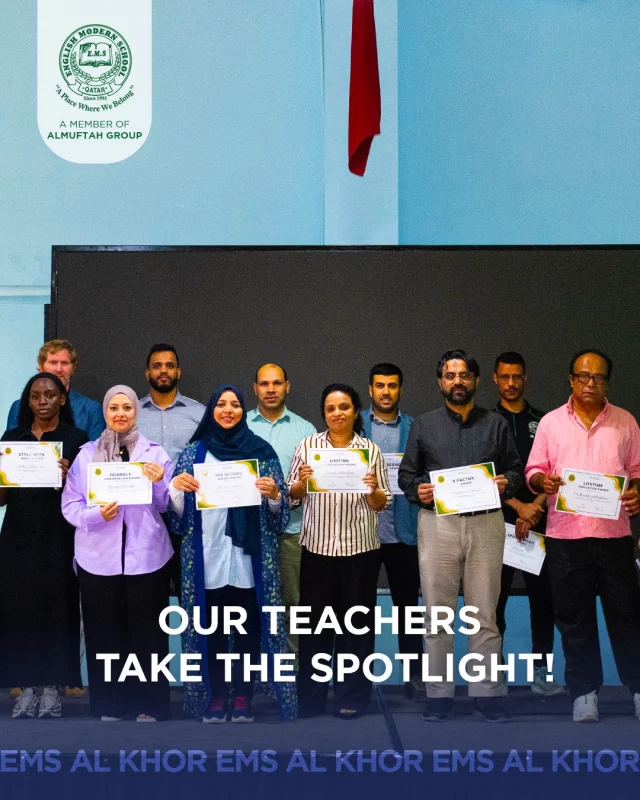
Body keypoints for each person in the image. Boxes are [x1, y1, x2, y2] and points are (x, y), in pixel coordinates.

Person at [398, 349, 523, 723]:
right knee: (438, 615)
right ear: (440, 383)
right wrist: (418, 489)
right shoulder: (424, 424)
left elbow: (516, 470)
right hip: (439, 525)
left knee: (484, 613)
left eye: (464, 375)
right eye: (450, 375)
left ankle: (487, 693)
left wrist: (507, 482)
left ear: (476, 381)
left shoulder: (496, 424)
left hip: (486, 522)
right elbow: (407, 475)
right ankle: (439, 694)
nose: (457, 381)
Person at [168, 385, 296, 723]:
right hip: (207, 557)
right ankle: (214, 696)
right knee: (209, 630)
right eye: (221, 404)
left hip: (247, 561)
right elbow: (177, 518)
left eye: (235, 404)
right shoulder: (195, 452)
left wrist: (273, 494)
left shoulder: (261, 451)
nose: (228, 410)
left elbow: (279, 515)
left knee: (248, 630)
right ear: (211, 410)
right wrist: (176, 490)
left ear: (243, 410)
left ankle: (242, 695)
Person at [526, 349, 640, 723]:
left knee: (627, 617)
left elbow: (637, 471)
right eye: (583, 377)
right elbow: (533, 471)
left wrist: (637, 490)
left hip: (615, 536)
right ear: (571, 379)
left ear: (607, 381)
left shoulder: (626, 422)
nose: (590, 383)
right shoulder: (550, 423)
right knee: (574, 619)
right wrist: (544, 481)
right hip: (566, 538)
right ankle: (584, 693)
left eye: (599, 377)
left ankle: (637, 689)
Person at [61, 385, 174, 722]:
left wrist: (157, 483)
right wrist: (97, 515)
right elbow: (70, 505)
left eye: (127, 407)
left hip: (148, 557)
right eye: (114, 408)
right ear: (106, 413)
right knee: (103, 634)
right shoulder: (86, 455)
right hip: (98, 559)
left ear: (135, 412)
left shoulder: (155, 454)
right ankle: (110, 704)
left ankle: (149, 705)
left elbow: (168, 505)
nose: (121, 414)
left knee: (148, 636)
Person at [288, 383, 391, 720]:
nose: (337, 413)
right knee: (315, 629)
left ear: (355, 411)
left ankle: (352, 697)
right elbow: (292, 496)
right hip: (317, 550)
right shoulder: (308, 446)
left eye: (344, 407)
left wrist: (372, 489)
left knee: (356, 628)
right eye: (331, 408)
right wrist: (301, 484)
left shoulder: (370, 450)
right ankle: (312, 698)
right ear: (324, 413)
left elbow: (381, 503)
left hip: (360, 551)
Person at [0, 373, 88, 719]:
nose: (42, 401)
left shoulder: (76, 440)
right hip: (18, 536)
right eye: (35, 396)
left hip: (59, 536)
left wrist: (69, 477)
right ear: (28, 402)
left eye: (50, 395)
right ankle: (25, 686)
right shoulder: (12, 439)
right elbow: (1, 498)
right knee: (19, 611)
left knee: (57, 609)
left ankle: (52, 686)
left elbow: (84, 496)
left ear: (62, 400)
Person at [492, 352, 563, 696]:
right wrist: (517, 506)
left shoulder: (545, 421)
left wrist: (534, 508)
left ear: (525, 379)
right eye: (504, 377)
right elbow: (482, 475)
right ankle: (495, 673)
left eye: (516, 377)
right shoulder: (485, 421)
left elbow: (555, 470)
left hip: (540, 520)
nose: (510, 384)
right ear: (494, 379)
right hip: (496, 523)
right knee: (495, 602)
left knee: (544, 600)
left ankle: (543, 673)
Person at [361, 362, 423, 701]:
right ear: (370, 390)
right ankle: (360, 678)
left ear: (400, 389)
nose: (386, 391)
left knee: (408, 610)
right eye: (380, 386)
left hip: (403, 531)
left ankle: (415, 675)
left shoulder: (416, 427)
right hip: (362, 531)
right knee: (359, 609)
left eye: (392, 386)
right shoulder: (353, 424)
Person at [247, 363, 316, 657]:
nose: (271, 389)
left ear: (287, 386)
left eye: (277, 383)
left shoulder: (305, 430)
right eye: (264, 384)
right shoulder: (239, 424)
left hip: (292, 532)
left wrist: (296, 491)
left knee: (293, 604)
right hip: (247, 533)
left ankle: (293, 673)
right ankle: (253, 677)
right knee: (248, 605)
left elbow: (311, 484)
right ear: (255, 389)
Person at [138, 343, 206, 600]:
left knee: (190, 590)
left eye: (169, 365)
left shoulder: (199, 413)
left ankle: (192, 641)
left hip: (188, 514)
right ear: (147, 373)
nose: (163, 371)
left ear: (179, 371)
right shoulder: (132, 414)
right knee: (149, 594)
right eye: (157, 366)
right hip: (145, 515)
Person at [7, 340, 104, 440]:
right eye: (53, 363)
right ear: (40, 367)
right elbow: (11, 446)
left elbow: (96, 452)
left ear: (73, 368)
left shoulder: (92, 409)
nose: (58, 369)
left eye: (64, 363)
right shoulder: (18, 407)